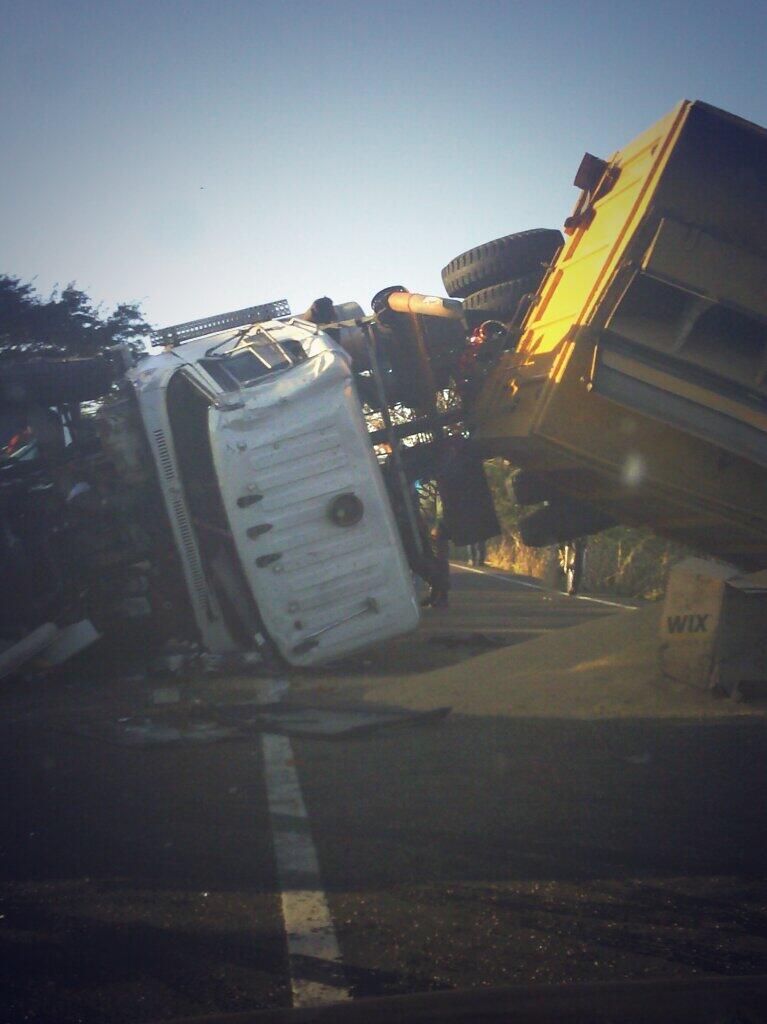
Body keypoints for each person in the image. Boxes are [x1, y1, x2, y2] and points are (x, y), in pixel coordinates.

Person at [424, 519, 450, 608]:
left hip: (437, 522)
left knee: (439, 559)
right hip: (427, 520)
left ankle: (441, 596)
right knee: (430, 560)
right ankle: (435, 595)